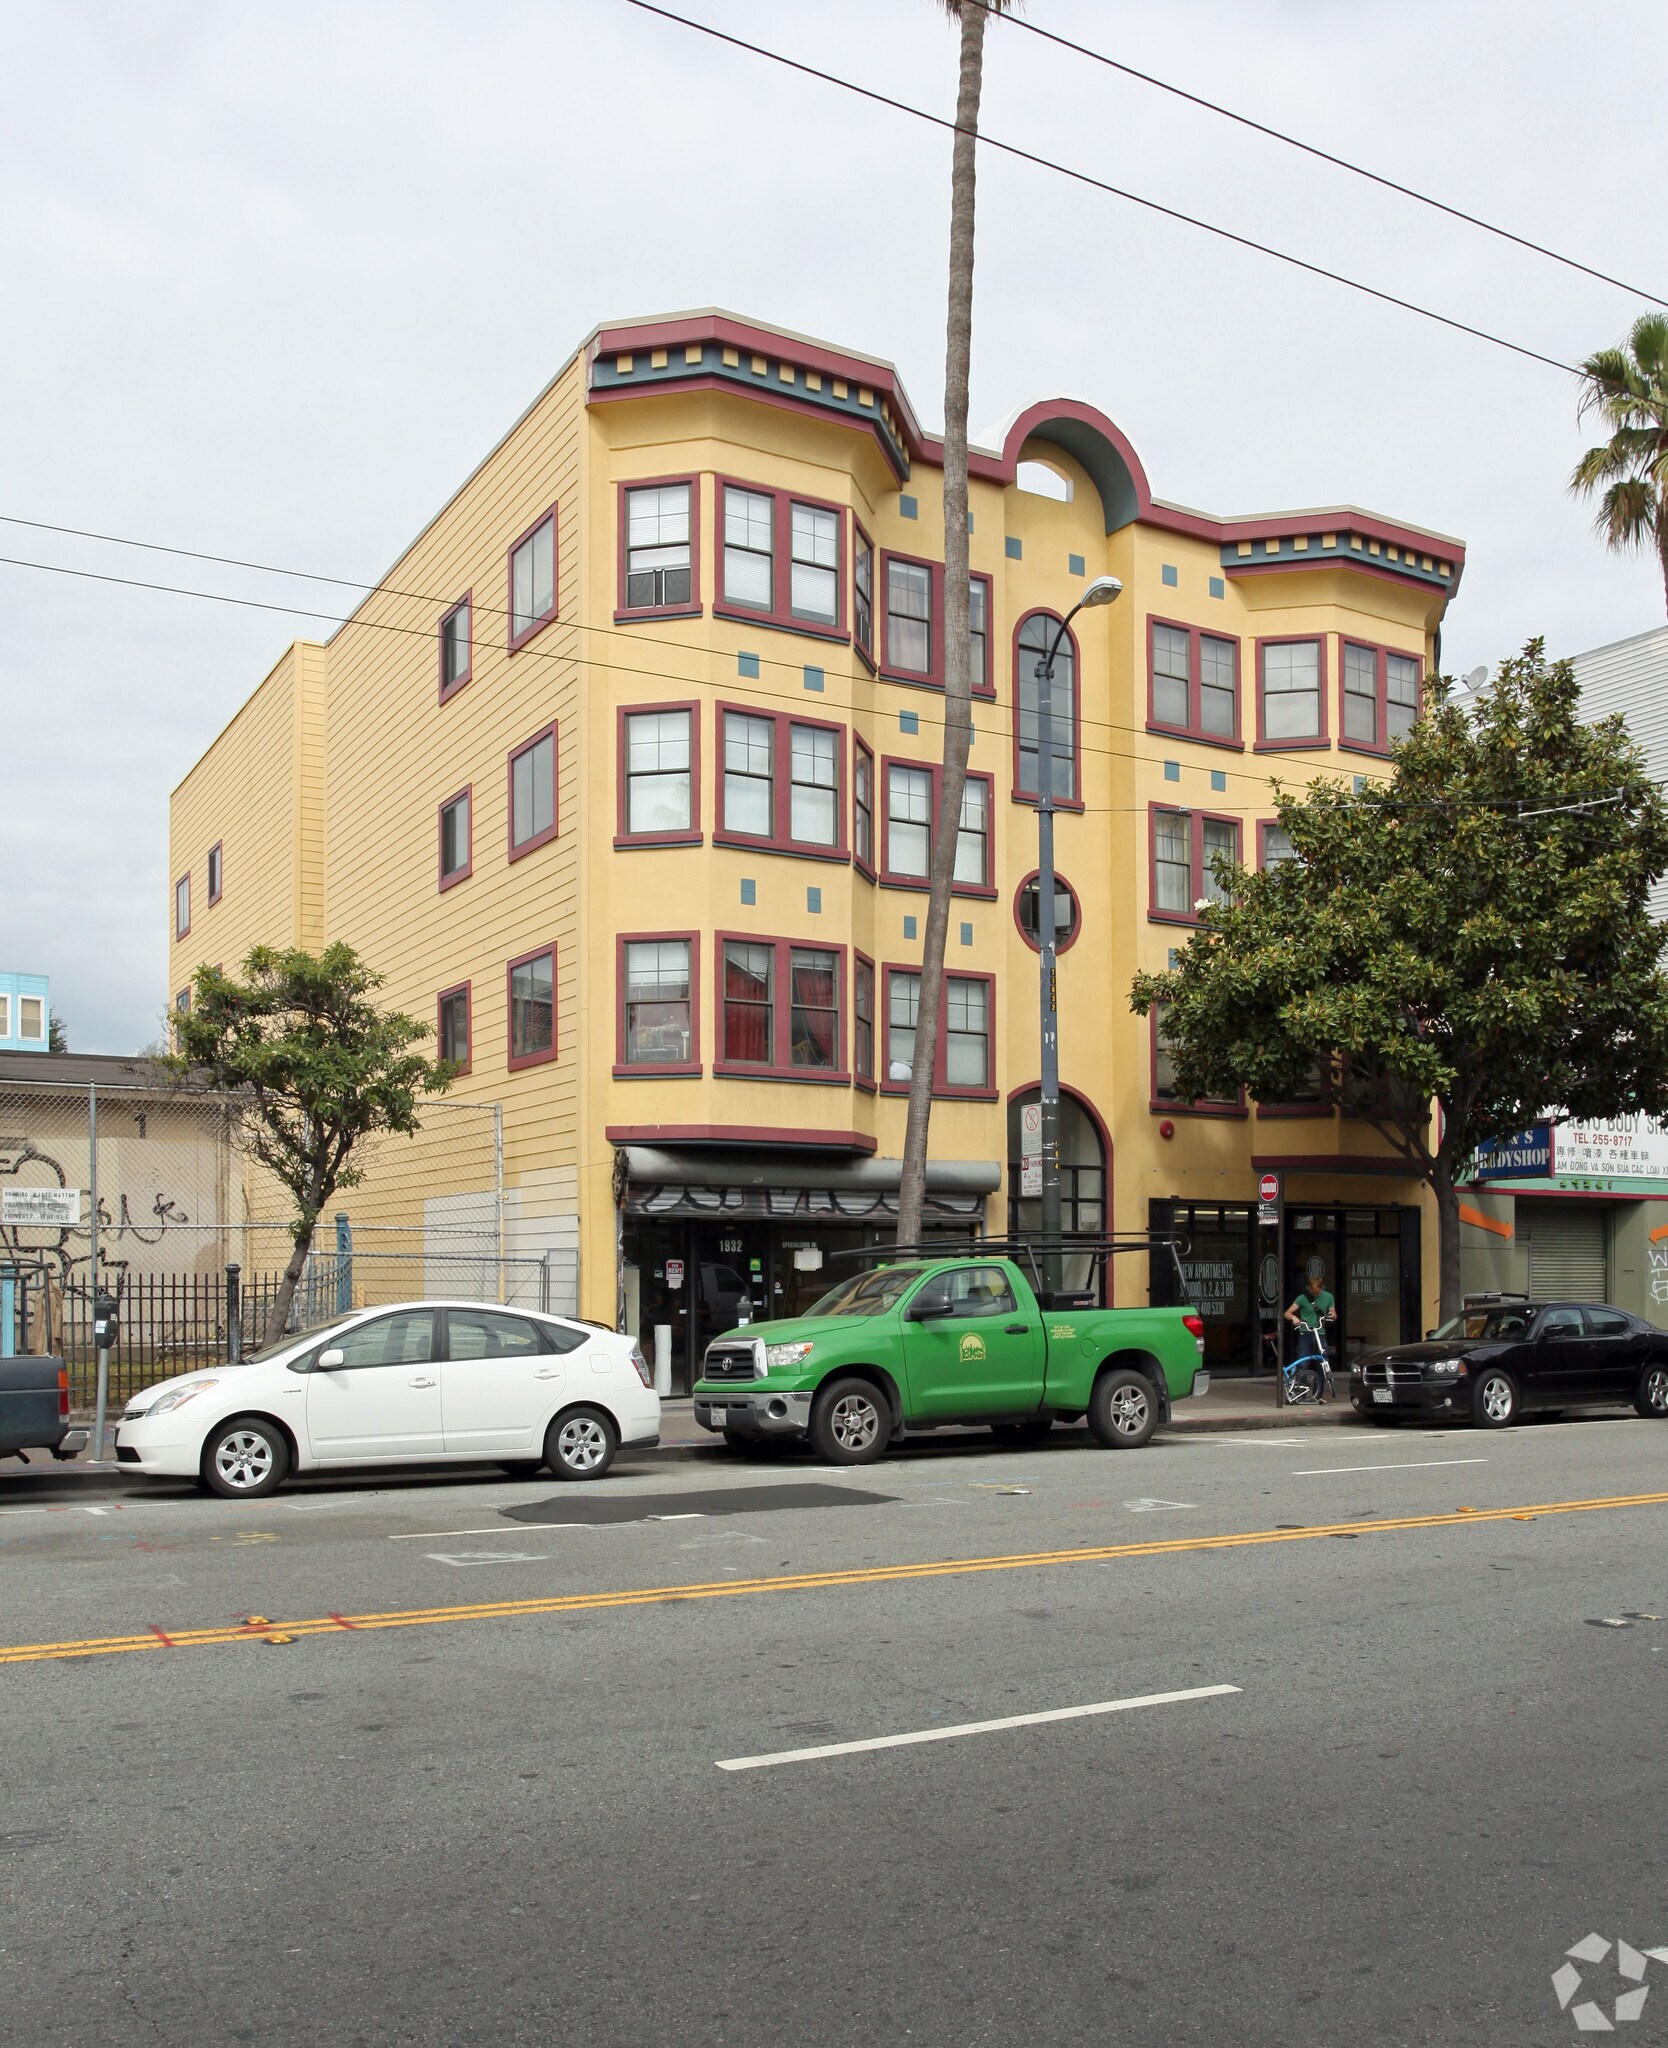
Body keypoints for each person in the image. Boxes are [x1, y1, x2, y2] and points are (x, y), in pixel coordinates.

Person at [1284, 1272, 1337, 1398]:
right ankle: (1301, 1393)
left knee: (1322, 1362)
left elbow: (1333, 1314)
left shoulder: (1328, 1297)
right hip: (1305, 1332)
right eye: (1313, 1292)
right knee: (1304, 1363)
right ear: (1309, 1288)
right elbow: (1287, 1313)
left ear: (1321, 1288)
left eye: (1317, 1292)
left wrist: (1332, 1315)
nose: (1315, 1294)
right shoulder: (1302, 1298)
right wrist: (1293, 1317)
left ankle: (1318, 1394)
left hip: (1320, 1333)